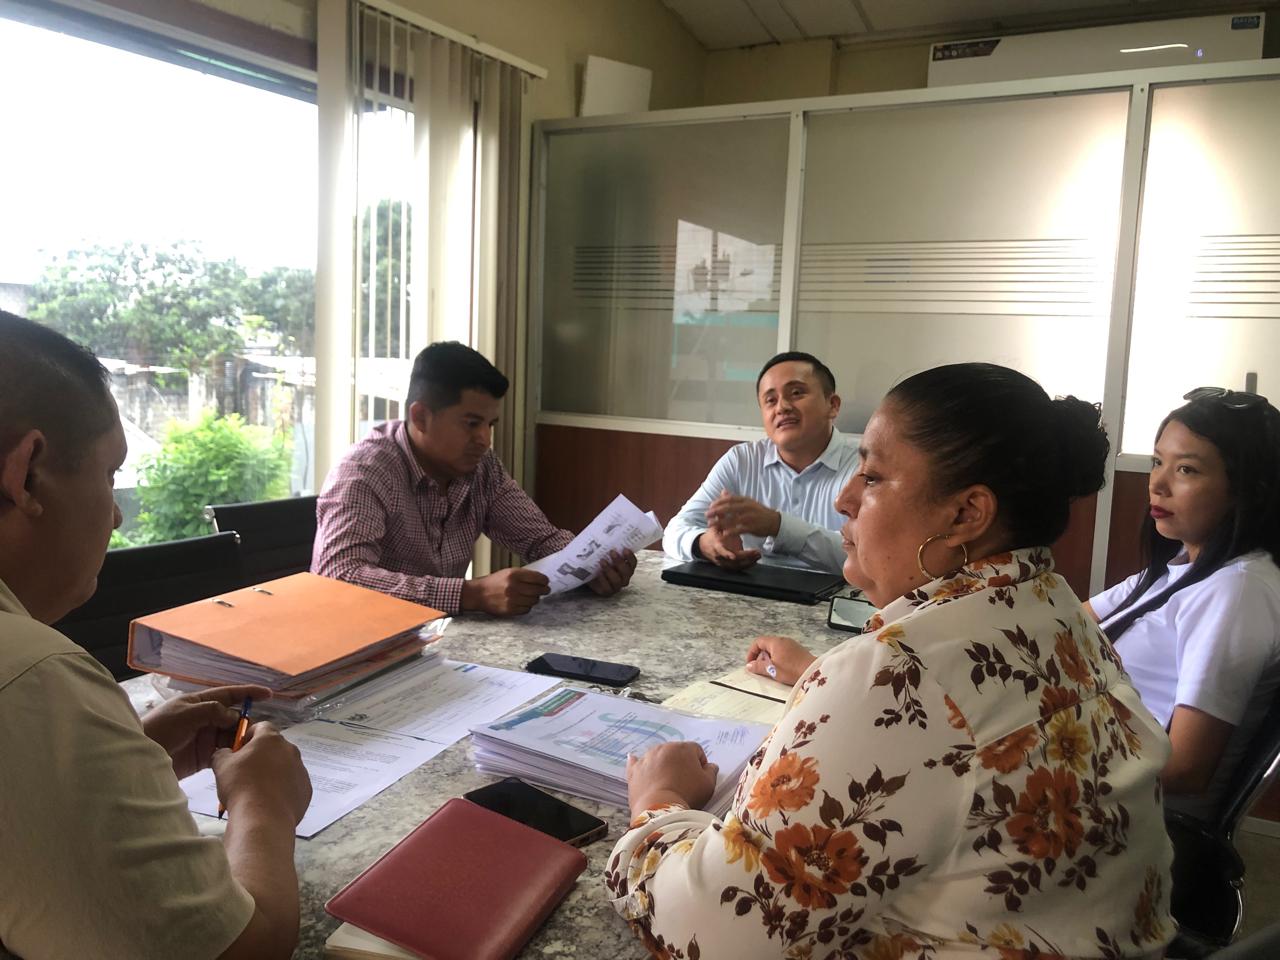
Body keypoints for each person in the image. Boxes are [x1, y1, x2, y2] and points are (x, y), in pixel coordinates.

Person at [610, 363, 1174, 960]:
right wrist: (826, 679)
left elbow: (710, 934)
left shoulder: (900, 673)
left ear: (966, 514)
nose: (844, 498)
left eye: (873, 478)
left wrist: (659, 798)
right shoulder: (1056, 608)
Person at [0, 311, 312, 959]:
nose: (116, 515)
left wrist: (115, 761)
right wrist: (265, 804)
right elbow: (242, 950)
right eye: (110, 473)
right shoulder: (30, 677)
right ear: (27, 474)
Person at [313, 341, 635, 616]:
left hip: (438, 642)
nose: (484, 439)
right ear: (420, 417)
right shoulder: (365, 472)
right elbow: (338, 579)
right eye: (471, 423)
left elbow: (540, 540)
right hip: (367, 648)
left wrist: (595, 564)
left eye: (490, 425)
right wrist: (471, 594)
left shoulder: (481, 467)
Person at [1087, 388, 1280, 823]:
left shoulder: (1237, 591)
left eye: (1186, 469)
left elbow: (1185, 769)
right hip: (1100, 776)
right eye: (1158, 462)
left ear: (1246, 490)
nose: (1157, 484)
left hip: (1134, 821)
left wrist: (1053, 776)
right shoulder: (1178, 570)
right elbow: (1058, 624)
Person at [662, 351, 857, 573]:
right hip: (755, 589)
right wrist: (704, 544)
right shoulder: (742, 461)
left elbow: (868, 557)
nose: (782, 407)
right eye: (770, 400)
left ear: (832, 405)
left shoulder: (864, 467)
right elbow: (675, 530)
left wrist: (778, 526)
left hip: (838, 593)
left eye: (796, 393)